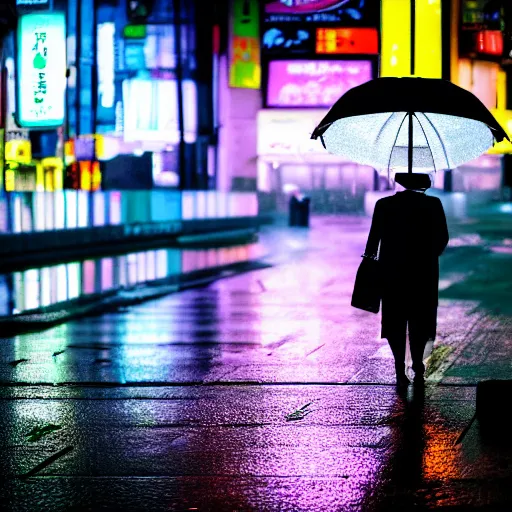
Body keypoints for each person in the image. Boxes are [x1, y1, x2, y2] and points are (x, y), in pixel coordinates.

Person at [363, 173, 449, 388]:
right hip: (424, 272)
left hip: (392, 270)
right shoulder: (432, 204)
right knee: (421, 319)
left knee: (394, 320)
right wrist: (428, 255)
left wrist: (372, 263)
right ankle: (418, 363)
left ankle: (399, 367)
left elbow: (374, 238)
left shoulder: (384, 205)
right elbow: (442, 237)